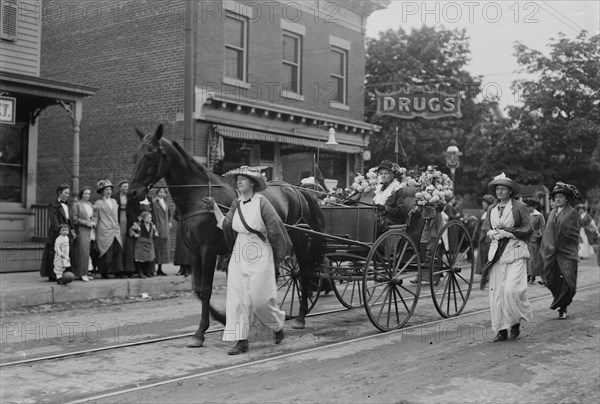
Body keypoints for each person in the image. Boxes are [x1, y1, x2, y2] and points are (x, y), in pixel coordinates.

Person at [204, 166, 291, 355]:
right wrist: (215, 208)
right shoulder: (236, 204)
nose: (239, 181)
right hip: (240, 251)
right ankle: (241, 340)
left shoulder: (262, 203)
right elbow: (227, 225)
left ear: (253, 183)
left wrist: (279, 256)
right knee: (237, 299)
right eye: (238, 179)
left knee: (260, 300)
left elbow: (275, 229)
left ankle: (277, 325)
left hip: (260, 250)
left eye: (244, 178)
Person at [480, 173, 533, 342]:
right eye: (498, 188)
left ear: (510, 191)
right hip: (496, 254)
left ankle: (515, 321)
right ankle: (501, 329)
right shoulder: (491, 209)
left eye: (503, 188)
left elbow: (528, 228)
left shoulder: (519, 207)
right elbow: (486, 227)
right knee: (496, 292)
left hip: (515, 251)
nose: (500, 191)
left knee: (511, 289)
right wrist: (490, 232)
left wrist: (509, 232)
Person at [541, 182, 582, 320]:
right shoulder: (551, 213)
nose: (557, 199)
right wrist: (549, 245)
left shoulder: (572, 213)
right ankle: (559, 300)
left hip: (566, 252)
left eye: (560, 197)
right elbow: (547, 231)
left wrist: (562, 240)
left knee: (567, 281)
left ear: (566, 199)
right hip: (552, 253)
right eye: (556, 197)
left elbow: (574, 233)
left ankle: (563, 307)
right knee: (552, 279)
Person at [40, 183, 77, 281]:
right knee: (56, 254)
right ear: (59, 193)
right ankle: (54, 275)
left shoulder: (69, 205)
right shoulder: (53, 205)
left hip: (67, 232)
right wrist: (60, 230)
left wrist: (72, 230)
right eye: (65, 193)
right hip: (57, 233)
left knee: (66, 253)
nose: (67, 195)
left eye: (68, 193)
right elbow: (53, 219)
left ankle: (65, 274)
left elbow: (70, 220)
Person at [93, 180, 124, 278]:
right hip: (104, 229)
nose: (109, 191)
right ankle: (104, 272)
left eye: (110, 189)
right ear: (102, 191)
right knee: (106, 250)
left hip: (115, 229)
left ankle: (117, 271)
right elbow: (95, 216)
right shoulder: (98, 203)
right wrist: (93, 225)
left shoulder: (114, 201)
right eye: (106, 190)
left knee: (117, 250)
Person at [373, 160, 406, 235]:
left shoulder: (397, 189)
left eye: (386, 173)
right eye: (381, 173)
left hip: (392, 220)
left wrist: (385, 208)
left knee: (374, 222)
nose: (383, 176)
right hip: (379, 217)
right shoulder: (379, 189)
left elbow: (400, 211)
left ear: (392, 175)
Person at [114, 180, 136, 277]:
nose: (126, 188)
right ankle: (119, 270)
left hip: (128, 220)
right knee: (120, 243)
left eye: (127, 186)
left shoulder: (130, 197)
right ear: (120, 187)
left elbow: (133, 210)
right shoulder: (115, 197)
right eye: (124, 186)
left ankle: (129, 270)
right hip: (118, 219)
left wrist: (134, 222)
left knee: (128, 244)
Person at [73, 186, 95, 282]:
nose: (87, 195)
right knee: (82, 251)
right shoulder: (77, 204)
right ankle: (81, 273)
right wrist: (86, 223)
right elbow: (75, 219)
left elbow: (93, 216)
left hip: (90, 230)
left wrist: (93, 222)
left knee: (87, 251)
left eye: (89, 194)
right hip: (82, 229)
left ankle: (86, 272)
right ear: (82, 194)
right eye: (85, 193)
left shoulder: (90, 204)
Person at [524, 198, 546, 285]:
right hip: (526, 238)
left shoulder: (539, 215)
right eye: (527, 207)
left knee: (533, 258)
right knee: (528, 257)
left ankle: (532, 275)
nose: (528, 208)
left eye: (530, 207)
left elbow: (543, 227)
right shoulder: (525, 214)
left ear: (534, 207)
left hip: (535, 238)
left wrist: (544, 237)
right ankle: (529, 274)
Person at [152, 188, 172, 276]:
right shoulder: (154, 202)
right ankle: (153, 268)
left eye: (164, 192)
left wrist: (170, 222)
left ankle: (160, 268)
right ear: (157, 193)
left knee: (164, 248)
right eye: (160, 192)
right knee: (157, 247)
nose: (162, 193)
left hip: (165, 227)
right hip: (158, 225)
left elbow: (170, 213)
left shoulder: (166, 203)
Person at [132, 211, 158, 278]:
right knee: (141, 259)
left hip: (149, 243)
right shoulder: (139, 225)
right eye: (148, 217)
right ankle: (140, 272)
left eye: (151, 217)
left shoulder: (152, 225)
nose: (150, 219)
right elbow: (131, 230)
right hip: (141, 244)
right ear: (144, 218)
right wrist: (135, 234)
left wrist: (155, 233)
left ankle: (148, 272)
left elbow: (155, 231)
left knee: (149, 258)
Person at [475, 194, 495, 275]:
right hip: (482, 236)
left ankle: (490, 273)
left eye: (484, 202)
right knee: (482, 254)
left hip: (489, 236)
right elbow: (477, 225)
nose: (483, 204)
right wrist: (474, 235)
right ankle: (484, 272)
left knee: (489, 255)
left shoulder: (493, 212)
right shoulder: (481, 212)